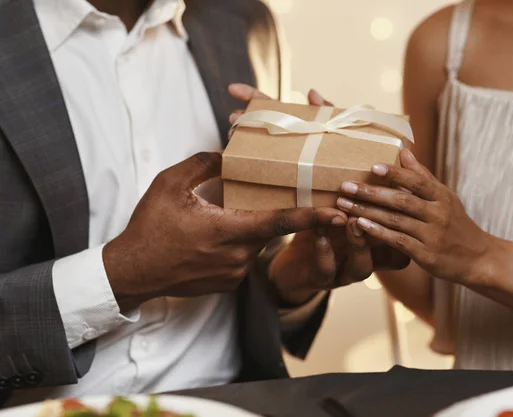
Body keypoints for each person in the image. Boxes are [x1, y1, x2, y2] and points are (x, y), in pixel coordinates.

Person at [0, 0, 410, 406]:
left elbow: (256, 269)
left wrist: (290, 282)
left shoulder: (242, 20)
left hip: (237, 400)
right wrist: (120, 276)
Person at [335, 0, 513, 371]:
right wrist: (368, 212)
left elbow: (466, 256)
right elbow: (436, 291)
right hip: (492, 403)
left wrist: (483, 257)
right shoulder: (445, 45)